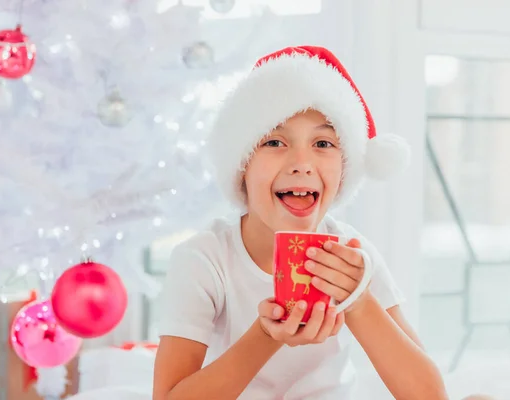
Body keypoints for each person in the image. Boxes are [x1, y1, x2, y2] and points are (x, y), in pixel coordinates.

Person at [153, 45, 442, 399]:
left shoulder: (354, 257)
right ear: (241, 166)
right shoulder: (204, 259)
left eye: (323, 142)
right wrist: (266, 336)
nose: (302, 163)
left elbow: (429, 395)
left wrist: (359, 301)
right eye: (274, 141)